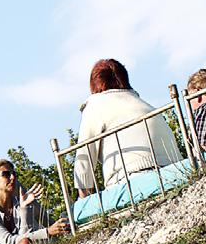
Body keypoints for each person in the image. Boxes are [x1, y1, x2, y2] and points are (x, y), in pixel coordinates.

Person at [73, 59, 182, 196]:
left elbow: (84, 157)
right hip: (175, 172)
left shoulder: (95, 104)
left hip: (130, 180)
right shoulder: (144, 104)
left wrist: (83, 200)